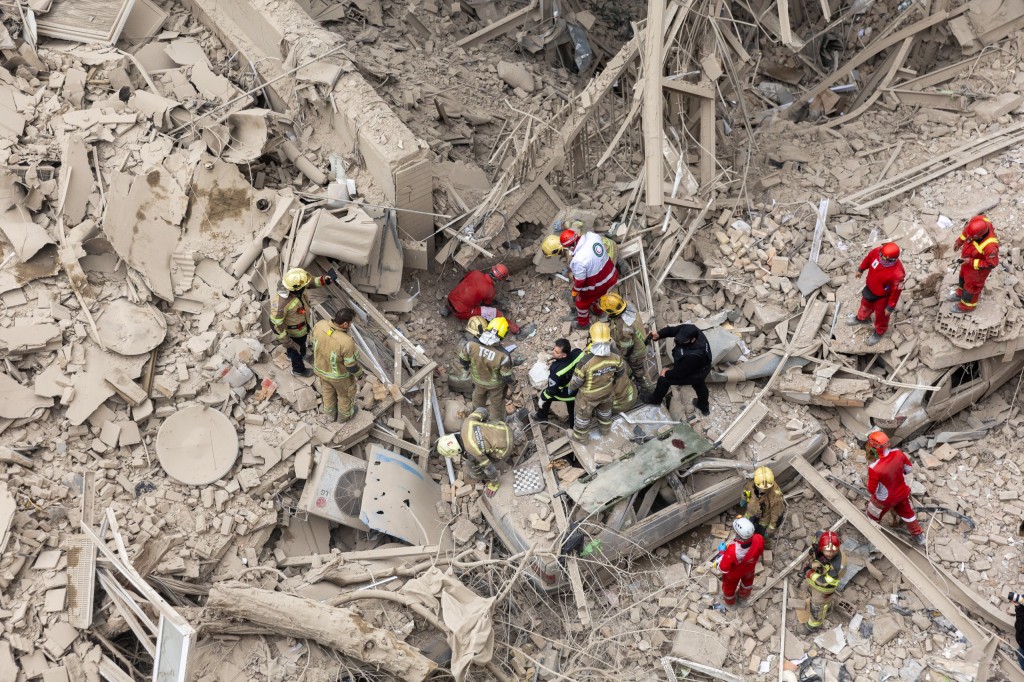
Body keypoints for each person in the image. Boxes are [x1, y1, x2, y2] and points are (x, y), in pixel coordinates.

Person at [543, 226, 619, 329]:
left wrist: (575, 291)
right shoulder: (592, 236)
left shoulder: (579, 260)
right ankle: (598, 311)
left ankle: (583, 324)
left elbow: (580, 281)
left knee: (581, 302)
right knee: (601, 296)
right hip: (611, 274)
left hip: (600, 282)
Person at [567, 322, 624, 442]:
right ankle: (605, 430)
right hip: (607, 392)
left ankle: (581, 438)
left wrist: (570, 387)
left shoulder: (586, 361)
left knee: (583, 417)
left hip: (588, 396)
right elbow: (620, 373)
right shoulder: (616, 355)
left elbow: (576, 382)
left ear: (591, 339)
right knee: (605, 413)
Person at [865, 431, 925, 545]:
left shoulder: (873, 467)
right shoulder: (898, 453)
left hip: (885, 500)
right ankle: (918, 536)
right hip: (902, 493)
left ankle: (872, 536)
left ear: (873, 448)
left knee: (872, 514)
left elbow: (872, 490)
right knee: (908, 514)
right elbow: (908, 470)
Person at [270, 268, 333, 377]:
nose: (305, 286)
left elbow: (310, 282)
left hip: (303, 326)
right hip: (294, 332)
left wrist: (323, 280)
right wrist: (287, 341)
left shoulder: (295, 286)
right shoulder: (281, 303)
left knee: (297, 347)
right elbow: (275, 324)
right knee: (297, 350)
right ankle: (298, 370)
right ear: (296, 289)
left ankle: (290, 354)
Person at [435, 407, 512, 497]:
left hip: (506, 448)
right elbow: (483, 410)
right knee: (486, 428)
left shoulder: (472, 453)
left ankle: (481, 475)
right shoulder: (467, 423)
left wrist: (494, 483)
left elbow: (490, 469)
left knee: (470, 463)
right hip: (505, 428)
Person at [644, 323, 712, 416]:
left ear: (693, 340)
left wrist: (666, 373)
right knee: (700, 385)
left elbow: (679, 373)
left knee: (664, 380)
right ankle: (704, 407)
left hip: (696, 373)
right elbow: (672, 330)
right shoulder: (690, 330)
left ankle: (655, 399)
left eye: (683, 341)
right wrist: (659, 334)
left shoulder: (695, 355)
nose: (679, 341)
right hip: (701, 367)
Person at [310, 307, 364, 422]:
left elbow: (312, 341)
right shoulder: (346, 342)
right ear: (345, 324)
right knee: (345, 396)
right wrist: (360, 374)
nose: (350, 325)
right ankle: (344, 417)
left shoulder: (320, 325)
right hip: (339, 377)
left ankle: (330, 415)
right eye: (350, 323)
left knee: (327, 392)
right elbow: (351, 366)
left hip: (321, 370)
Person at [847, 242, 904, 347]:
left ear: (891, 259)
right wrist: (861, 269)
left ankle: (879, 332)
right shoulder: (878, 252)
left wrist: (890, 307)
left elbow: (896, 292)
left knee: (881, 316)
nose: (880, 257)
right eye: (880, 254)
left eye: (883, 257)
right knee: (864, 305)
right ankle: (862, 318)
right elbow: (868, 259)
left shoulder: (898, 274)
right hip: (870, 289)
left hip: (883, 297)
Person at [459, 317, 515, 417]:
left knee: (477, 399)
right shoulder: (503, 355)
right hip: (495, 386)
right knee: (497, 405)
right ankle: (496, 422)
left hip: (477, 381)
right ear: (504, 335)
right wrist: (512, 384)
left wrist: (467, 368)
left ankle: (476, 417)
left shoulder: (470, 345)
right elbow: (506, 376)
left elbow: (463, 360)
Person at [599, 293, 655, 393]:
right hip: (641, 342)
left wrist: (624, 357)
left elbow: (627, 347)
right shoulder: (628, 305)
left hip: (636, 353)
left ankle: (649, 389)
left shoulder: (623, 328)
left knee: (640, 371)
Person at [443, 264, 521, 334]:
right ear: (499, 279)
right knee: (496, 313)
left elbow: (462, 280)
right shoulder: (490, 291)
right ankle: (515, 329)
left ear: (492, 269)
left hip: (450, 298)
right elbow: (486, 304)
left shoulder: (475, 272)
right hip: (461, 313)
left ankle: (447, 308)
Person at [950, 215, 999, 314]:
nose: (969, 238)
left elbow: (991, 264)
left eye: (972, 238)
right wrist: (959, 242)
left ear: (980, 236)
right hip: (967, 261)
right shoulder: (976, 222)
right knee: (962, 278)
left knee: (971, 287)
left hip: (978, 270)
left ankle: (967, 306)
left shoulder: (990, 246)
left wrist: (971, 262)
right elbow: (966, 232)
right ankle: (960, 294)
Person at [716, 517, 764, 609]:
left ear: (738, 534)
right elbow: (760, 551)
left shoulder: (732, 551)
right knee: (747, 583)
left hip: (734, 574)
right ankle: (742, 598)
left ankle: (731, 603)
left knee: (728, 588)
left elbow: (723, 568)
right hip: (749, 568)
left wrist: (721, 553)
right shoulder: (759, 539)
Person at [533, 338, 583, 428]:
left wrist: (543, 398)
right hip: (578, 386)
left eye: (556, 352)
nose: (553, 352)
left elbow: (551, 390)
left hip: (567, 392)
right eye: (554, 350)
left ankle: (542, 417)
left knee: (546, 396)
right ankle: (573, 427)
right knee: (572, 410)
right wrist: (555, 357)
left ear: (564, 355)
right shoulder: (578, 353)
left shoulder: (556, 371)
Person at [804, 530, 845, 632]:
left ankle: (814, 625)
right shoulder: (819, 536)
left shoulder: (838, 566)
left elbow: (824, 583)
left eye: (833, 551)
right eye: (826, 551)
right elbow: (815, 539)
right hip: (822, 568)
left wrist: (810, 573)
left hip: (825, 588)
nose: (829, 554)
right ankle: (828, 606)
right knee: (811, 589)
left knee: (817, 605)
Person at [739, 466, 785, 549]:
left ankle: (765, 544)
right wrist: (743, 499)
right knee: (746, 528)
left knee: (761, 536)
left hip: (764, 519)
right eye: (760, 488)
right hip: (751, 512)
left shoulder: (775, 497)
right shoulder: (751, 484)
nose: (763, 490)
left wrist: (770, 529)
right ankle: (747, 540)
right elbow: (745, 491)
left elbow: (777, 515)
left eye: (766, 489)